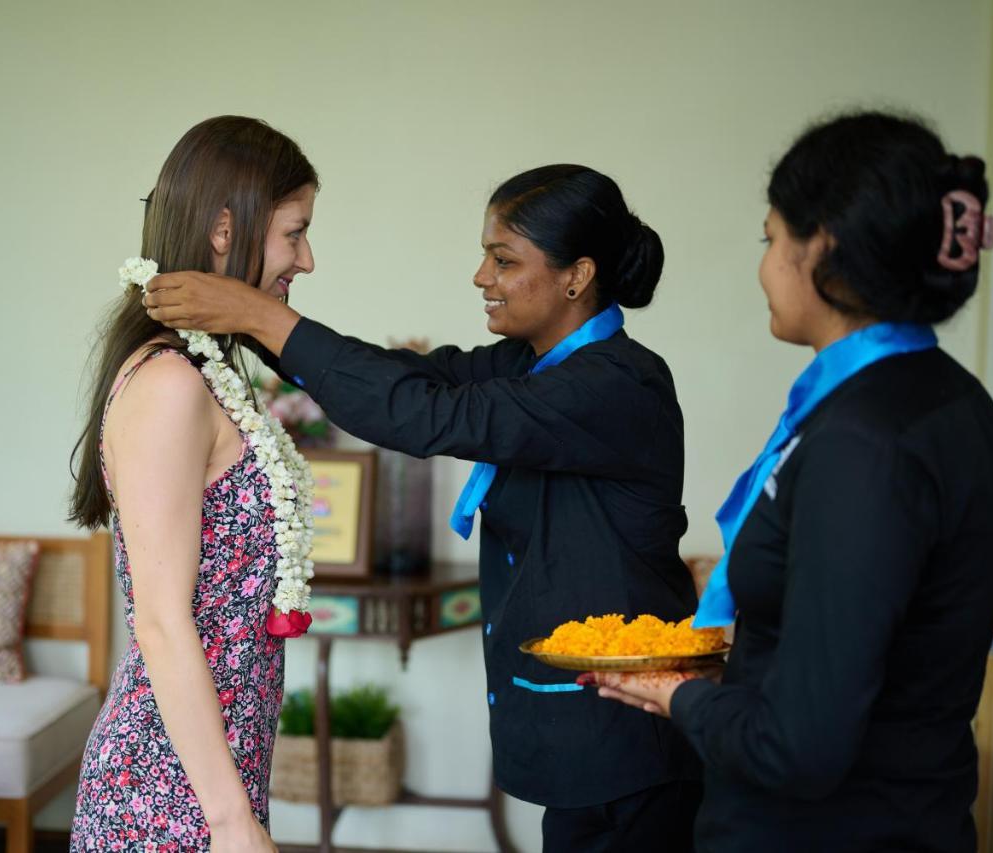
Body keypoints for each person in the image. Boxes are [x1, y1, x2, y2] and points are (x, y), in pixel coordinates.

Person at [144, 164, 703, 851]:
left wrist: (257, 312)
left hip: (629, 739)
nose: (481, 276)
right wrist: (251, 314)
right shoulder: (526, 365)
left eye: (503, 259)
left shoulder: (618, 383)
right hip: (592, 741)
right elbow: (410, 378)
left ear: (576, 275)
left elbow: (423, 414)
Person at [592, 111, 993, 852]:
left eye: (770, 237)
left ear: (820, 245)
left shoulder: (866, 441)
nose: (763, 264)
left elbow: (797, 747)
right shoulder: (950, 403)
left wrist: (679, 694)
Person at [67, 115, 320, 852]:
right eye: (294, 232)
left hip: (213, 773)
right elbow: (161, 620)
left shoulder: (207, 369)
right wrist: (231, 821)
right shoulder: (171, 382)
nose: (306, 259)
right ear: (223, 230)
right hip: (166, 790)